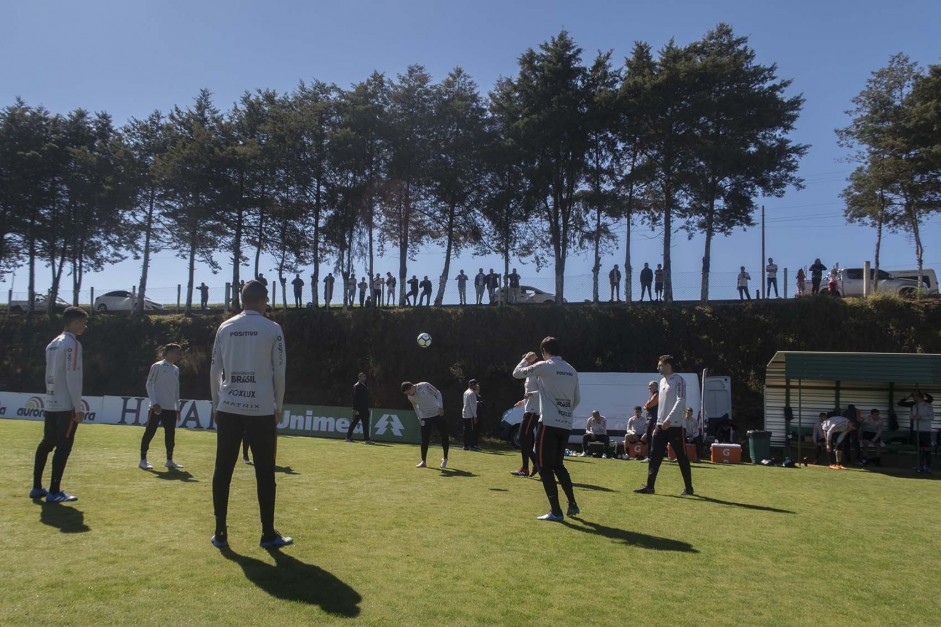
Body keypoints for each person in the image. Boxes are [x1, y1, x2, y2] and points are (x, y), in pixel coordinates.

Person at [209, 280, 291, 549]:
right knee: (265, 472)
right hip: (261, 409)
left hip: (228, 407)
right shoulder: (272, 328)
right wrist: (278, 406)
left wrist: (215, 403)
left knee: (223, 470)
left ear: (242, 300)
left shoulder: (225, 327)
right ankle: (268, 534)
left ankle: (220, 532)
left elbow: (214, 371)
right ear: (263, 300)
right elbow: (279, 372)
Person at [512, 336, 581, 522]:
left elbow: (517, 373)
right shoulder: (571, 370)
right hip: (566, 424)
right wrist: (563, 412)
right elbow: (577, 399)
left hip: (548, 423)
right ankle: (573, 504)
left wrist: (526, 359)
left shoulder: (545, 365)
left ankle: (556, 511)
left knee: (543, 467)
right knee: (558, 464)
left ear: (544, 351)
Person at [30, 306, 88, 502]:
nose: (84, 327)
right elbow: (73, 376)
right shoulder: (73, 344)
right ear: (73, 322)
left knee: (47, 442)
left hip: (51, 401)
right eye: (82, 322)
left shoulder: (52, 343)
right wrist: (78, 407)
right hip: (65, 405)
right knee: (63, 447)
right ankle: (54, 491)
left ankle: (37, 487)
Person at [635, 355, 694, 496]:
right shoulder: (661, 382)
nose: (658, 368)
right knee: (654, 455)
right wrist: (659, 420)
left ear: (668, 365)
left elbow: (681, 401)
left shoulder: (679, 380)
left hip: (674, 426)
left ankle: (689, 488)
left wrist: (669, 418)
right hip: (660, 425)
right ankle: (650, 486)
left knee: (681, 456)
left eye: (660, 365)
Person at [139, 343, 183, 470]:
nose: (177, 355)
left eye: (178, 352)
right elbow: (149, 384)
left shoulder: (175, 369)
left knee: (170, 434)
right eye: (175, 352)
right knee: (150, 432)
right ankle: (143, 460)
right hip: (157, 407)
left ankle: (169, 460)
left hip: (171, 408)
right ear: (168, 352)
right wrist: (154, 403)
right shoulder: (157, 366)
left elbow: (176, 389)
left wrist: (177, 407)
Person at [402, 381, 448, 468]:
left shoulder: (425, 385)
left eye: (408, 392)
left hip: (437, 414)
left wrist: (440, 407)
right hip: (425, 417)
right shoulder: (410, 397)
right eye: (406, 394)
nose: (408, 395)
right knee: (424, 439)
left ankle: (445, 459)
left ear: (411, 387)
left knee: (444, 436)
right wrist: (420, 418)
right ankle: (423, 461)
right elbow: (415, 407)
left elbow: (437, 393)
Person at [511, 352, 541, 477]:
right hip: (529, 409)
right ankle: (534, 464)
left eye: (526, 360)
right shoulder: (529, 375)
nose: (524, 363)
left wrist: (531, 394)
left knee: (522, 439)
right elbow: (529, 394)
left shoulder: (538, 372)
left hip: (533, 412)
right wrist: (523, 402)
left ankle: (527, 467)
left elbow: (545, 391)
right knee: (524, 440)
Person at [898, 390, 934, 473]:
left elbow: (931, 417)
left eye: (915, 396)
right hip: (916, 429)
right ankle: (920, 465)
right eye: (913, 396)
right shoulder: (914, 406)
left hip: (925, 430)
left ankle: (928, 467)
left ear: (920, 397)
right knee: (919, 449)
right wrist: (912, 417)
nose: (913, 398)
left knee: (927, 449)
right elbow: (911, 415)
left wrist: (921, 417)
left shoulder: (927, 405)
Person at [346, 372, 374, 443]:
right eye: (363, 377)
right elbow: (355, 398)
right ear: (359, 377)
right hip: (358, 409)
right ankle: (348, 437)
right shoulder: (357, 386)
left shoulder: (365, 385)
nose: (364, 378)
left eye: (365, 377)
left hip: (364, 409)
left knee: (365, 424)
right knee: (354, 423)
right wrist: (355, 409)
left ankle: (367, 439)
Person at [639, 380, 659, 462]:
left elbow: (649, 405)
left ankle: (651, 457)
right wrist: (646, 406)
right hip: (650, 419)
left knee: (651, 438)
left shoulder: (657, 395)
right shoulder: (652, 395)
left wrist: (646, 406)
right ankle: (650, 456)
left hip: (653, 419)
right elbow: (647, 405)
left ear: (655, 387)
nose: (649, 387)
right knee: (649, 438)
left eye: (651, 386)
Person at [462, 379, 480, 451]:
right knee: (472, 430)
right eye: (475, 385)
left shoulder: (466, 392)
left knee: (466, 430)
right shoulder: (472, 393)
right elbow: (473, 406)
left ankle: (465, 445)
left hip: (465, 413)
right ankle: (472, 446)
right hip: (470, 414)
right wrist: (475, 416)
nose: (476, 386)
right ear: (473, 385)